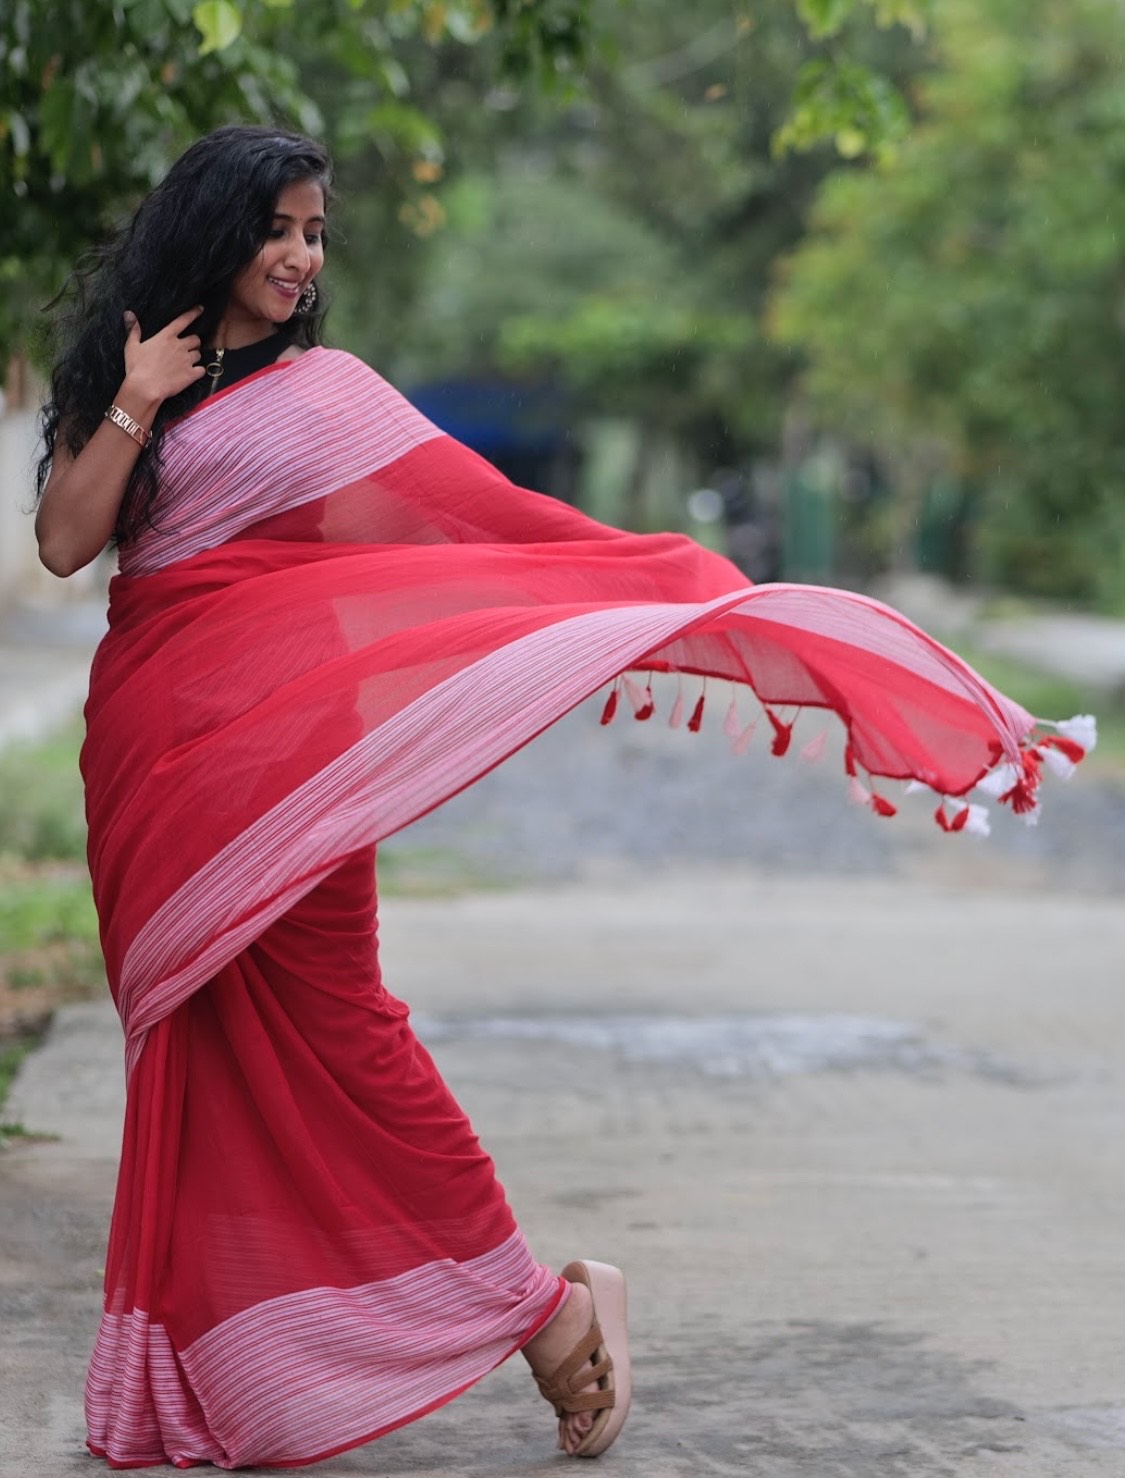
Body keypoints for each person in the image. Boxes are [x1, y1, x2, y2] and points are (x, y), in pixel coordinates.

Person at [34, 125, 1086, 1471]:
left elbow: (471, 523)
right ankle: (221, 1363)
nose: (300, 257)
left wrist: (655, 579)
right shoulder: (137, 378)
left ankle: (544, 1310)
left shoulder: (332, 397)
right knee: (197, 1057)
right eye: (279, 230)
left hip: (290, 769)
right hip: (150, 765)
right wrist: (132, 396)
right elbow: (70, 542)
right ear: (215, 231)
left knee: (350, 1040)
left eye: (315, 234)